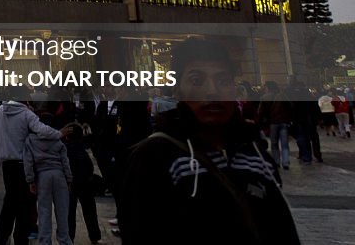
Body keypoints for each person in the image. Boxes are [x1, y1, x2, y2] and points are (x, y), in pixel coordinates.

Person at [119, 38, 300, 244]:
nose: (212, 91)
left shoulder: (255, 154)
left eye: (223, 81)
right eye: (197, 81)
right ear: (177, 88)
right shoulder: (154, 157)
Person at [0, 98, 66, 245]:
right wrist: (60, 133)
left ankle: (1, 236)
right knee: (23, 204)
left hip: (6, 165)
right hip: (22, 164)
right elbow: (42, 130)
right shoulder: (26, 114)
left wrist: (2, 147)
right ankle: (20, 238)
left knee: (10, 200)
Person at [24, 114, 73, 245]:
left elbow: (28, 162)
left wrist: (30, 180)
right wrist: (69, 180)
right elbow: (65, 161)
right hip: (59, 175)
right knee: (62, 211)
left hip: (42, 176)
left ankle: (45, 241)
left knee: (44, 211)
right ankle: (64, 241)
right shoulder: (57, 140)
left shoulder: (30, 140)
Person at [63, 123, 101, 244]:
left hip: (71, 184)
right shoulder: (83, 150)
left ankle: (70, 237)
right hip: (85, 183)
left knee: (69, 212)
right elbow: (90, 167)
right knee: (90, 211)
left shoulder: (65, 149)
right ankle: (94, 236)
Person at [257, 81, 291, 170]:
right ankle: (286, 162)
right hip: (284, 122)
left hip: (273, 123)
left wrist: (259, 123)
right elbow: (290, 107)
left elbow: (261, 112)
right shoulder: (283, 96)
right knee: (284, 144)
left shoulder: (264, 97)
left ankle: (276, 162)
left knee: (274, 143)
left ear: (268, 87)